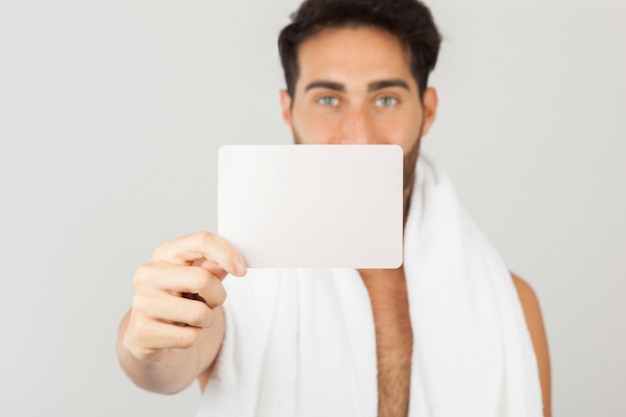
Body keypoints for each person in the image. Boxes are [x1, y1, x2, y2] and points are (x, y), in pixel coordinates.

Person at [116, 0, 551, 416]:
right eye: (328, 98)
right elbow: (165, 368)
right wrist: (144, 343)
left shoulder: (510, 302)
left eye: (385, 99)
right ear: (288, 111)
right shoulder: (234, 281)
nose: (358, 135)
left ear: (428, 111)